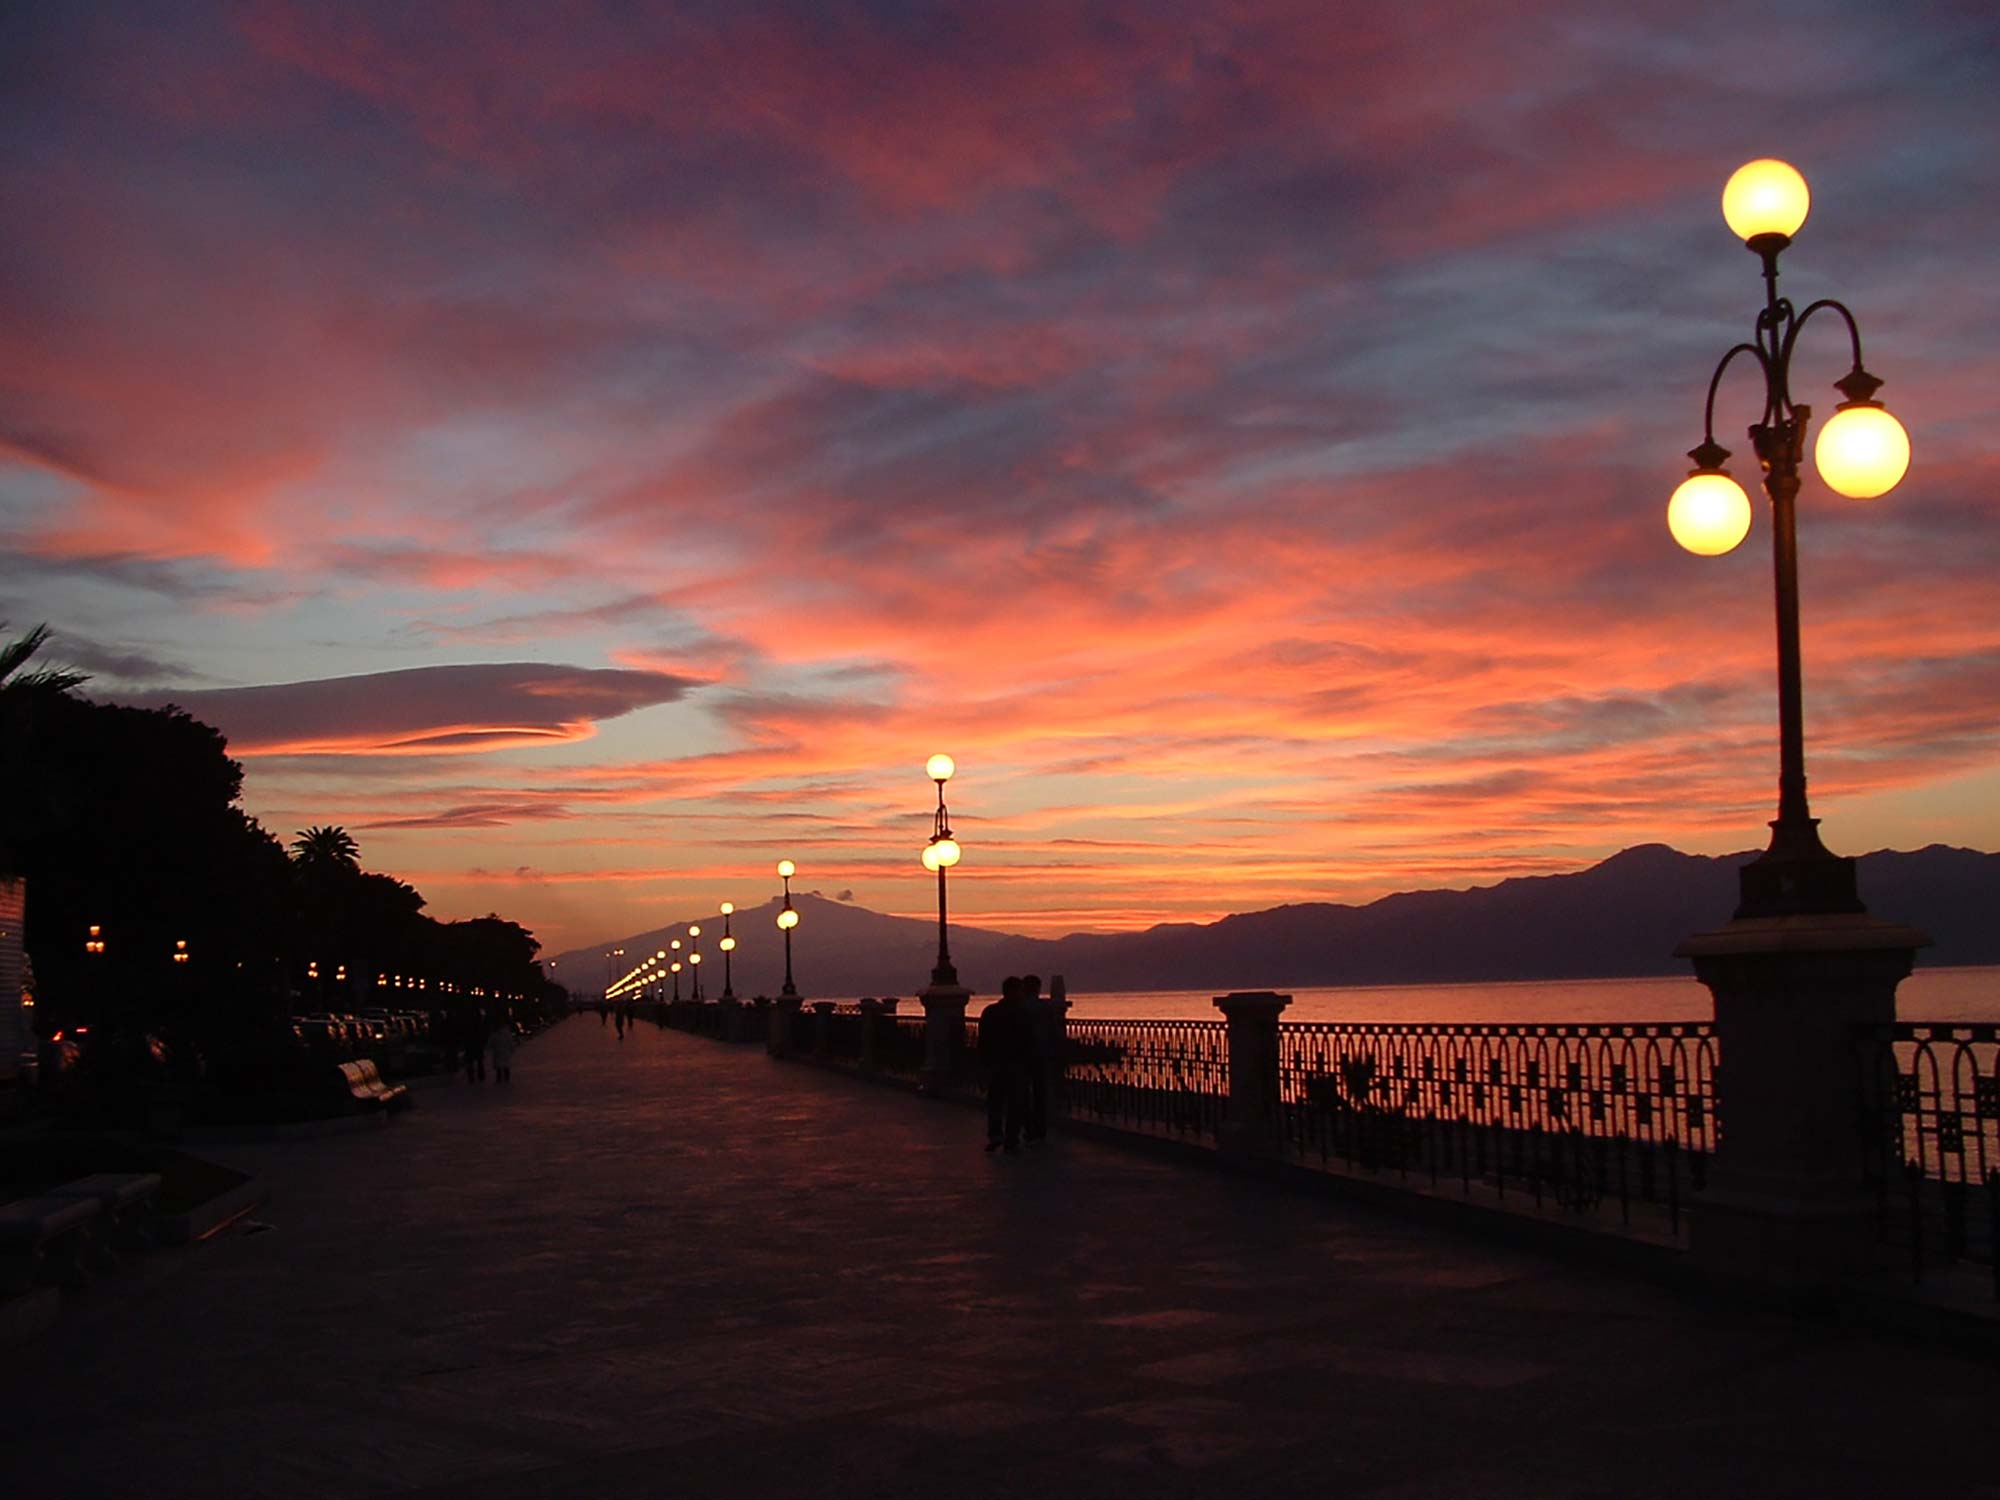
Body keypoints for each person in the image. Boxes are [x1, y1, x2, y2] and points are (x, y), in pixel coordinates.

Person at [977, 977, 1038, 1154]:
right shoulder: (1023, 1013)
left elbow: (983, 1041)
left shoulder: (990, 1012)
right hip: (1016, 1064)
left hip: (996, 1063)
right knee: (1015, 1103)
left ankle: (996, 1135)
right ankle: (1011, 1138)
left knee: (995, 1101)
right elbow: (1030, 1041)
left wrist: (982, 1064)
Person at [1021, 973, 1055, 1144]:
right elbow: (1053, 1031)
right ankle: (1040, 1128)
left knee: (1023, 1093)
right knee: (1040, 1093)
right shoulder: (1046, 1008)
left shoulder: (1019, 1008)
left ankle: (1028, 1128)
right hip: (1041, 1054)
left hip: (1022, 1055)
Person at [462, 1007, 488, 1083]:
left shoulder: (468, 1023)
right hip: (476, 1043)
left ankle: (472, 1076)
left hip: (471, 1043)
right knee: (478, 1060)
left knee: (471, 1061)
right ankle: (480, 1075)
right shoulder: (479, 1024)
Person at [488, 1018, 518, 1083]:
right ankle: (506, 1077)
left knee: (499, 1065)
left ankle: (499, 1077)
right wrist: (512, 1049)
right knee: (505, 1065)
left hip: (498, 1052)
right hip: (504, 1052)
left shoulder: (495, 1033)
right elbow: (511, 1042)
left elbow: (491, 1042)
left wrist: (490, 1047)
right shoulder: (506, 1033)